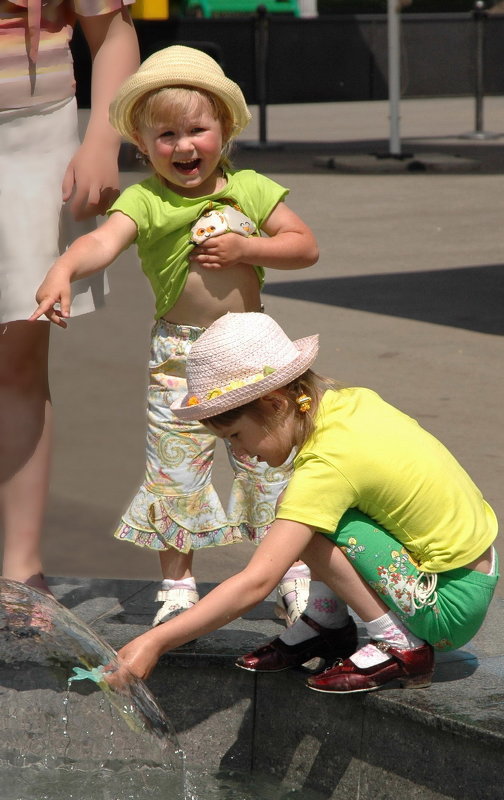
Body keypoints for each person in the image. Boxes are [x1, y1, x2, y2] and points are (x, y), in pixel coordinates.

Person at [30, 46, 319, 625]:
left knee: (270, 462)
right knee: (174, 464)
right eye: (165, 135)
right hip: (179, 354)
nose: (183, 146)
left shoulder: (253, 189)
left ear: (225, 129)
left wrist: (249, 247)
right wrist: (63, 269)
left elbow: (304, 247)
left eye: (197, 130)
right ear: (143, 144)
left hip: (250, 349)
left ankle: (291, 568)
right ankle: (178, 583)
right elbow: (101, 242)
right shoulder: (146, 199)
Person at [108, 311, 499, 693]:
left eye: (236, 435)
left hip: (446, 610)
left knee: (303, 525)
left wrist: (156, 642)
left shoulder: (327, 468)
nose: (240, 452)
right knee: (312, 513)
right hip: (470, 575)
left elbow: (257, 582)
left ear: (277, 405)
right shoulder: (349, 405)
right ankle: (325, 624)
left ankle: (399, 644)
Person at [0, 0, 140, 595]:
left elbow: (113, 32)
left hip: (33, 134)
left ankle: (19, 568)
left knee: (18, 359)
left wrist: (103, 141)